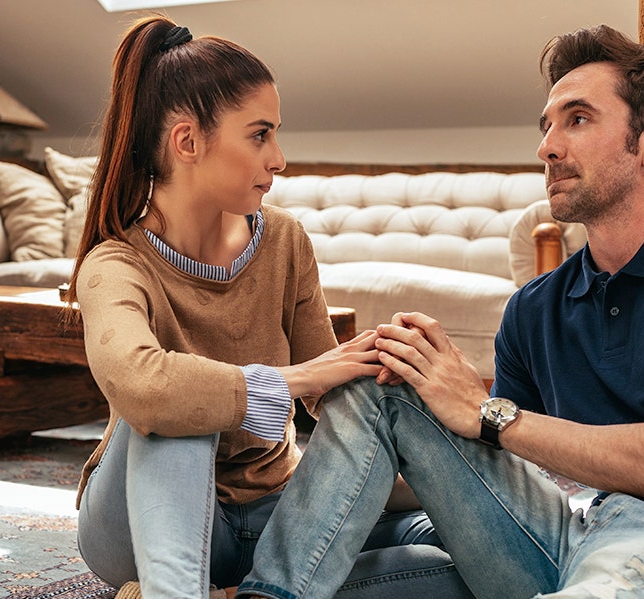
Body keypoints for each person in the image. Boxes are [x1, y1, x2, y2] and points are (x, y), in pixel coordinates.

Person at [237, 24, 644, 599]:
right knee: (388, 385)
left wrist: (485, 413)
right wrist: (341, 469)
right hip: (566, 531)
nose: (546, 148)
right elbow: (503, 465)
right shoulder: (536, 308)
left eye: (578, 120)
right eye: (546, 126)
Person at [65, 15, 473, 599]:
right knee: (181, 400)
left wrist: (394, 386)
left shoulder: (284, 241)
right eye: (260, 135)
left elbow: (327, 396)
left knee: (460, 555)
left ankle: (244, 595)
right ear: (187, 142)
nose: (279, 158)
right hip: (134, 523)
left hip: (274, 517)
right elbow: (143, 388)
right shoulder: (114, 264)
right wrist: (297, 377)